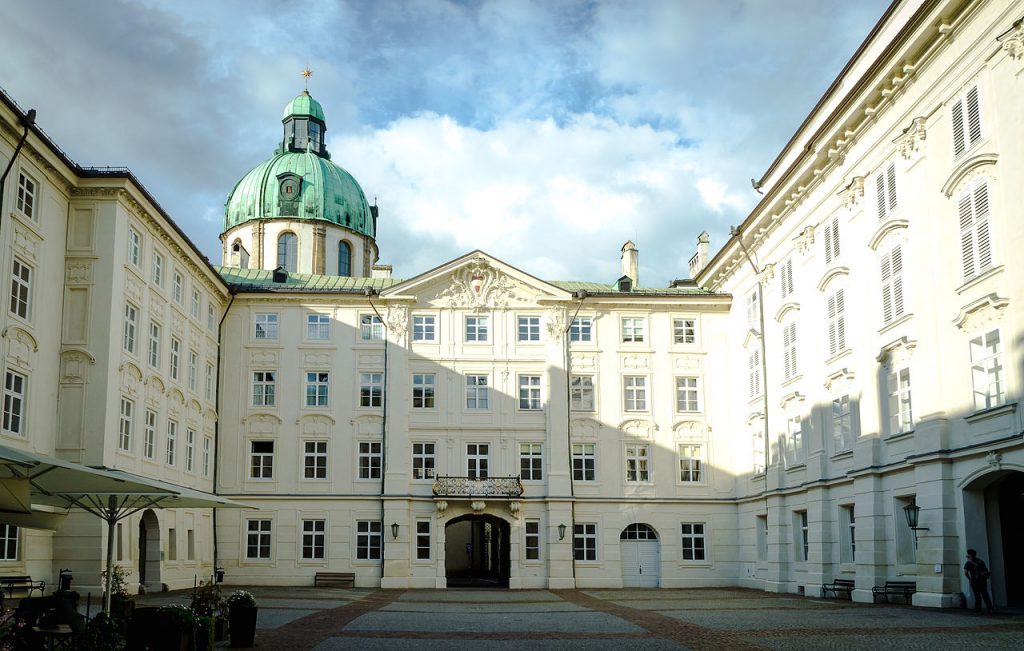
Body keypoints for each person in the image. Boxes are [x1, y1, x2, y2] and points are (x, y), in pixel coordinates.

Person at [963, 548, 994, 613]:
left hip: (974, 580)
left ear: (969, 555)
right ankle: (990, 608)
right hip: (982, 580)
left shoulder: (968, 563)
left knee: (977, 595)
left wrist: (969, 579)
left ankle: (978, 608)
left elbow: (965, 572)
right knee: (985, 594)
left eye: (967, 554)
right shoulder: (980, 561)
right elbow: (985, 570)